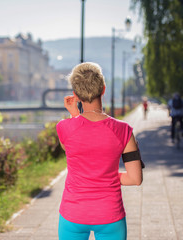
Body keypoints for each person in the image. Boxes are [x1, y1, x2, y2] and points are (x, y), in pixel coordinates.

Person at [56, 62, 143, 240]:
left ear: (76, 95)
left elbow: (70, 149)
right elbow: (135, 178)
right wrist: (107, 176)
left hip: (73, 213)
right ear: (103, 89)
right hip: (110, 214)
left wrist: (74, 116)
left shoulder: (63, 128)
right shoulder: (124, 130)